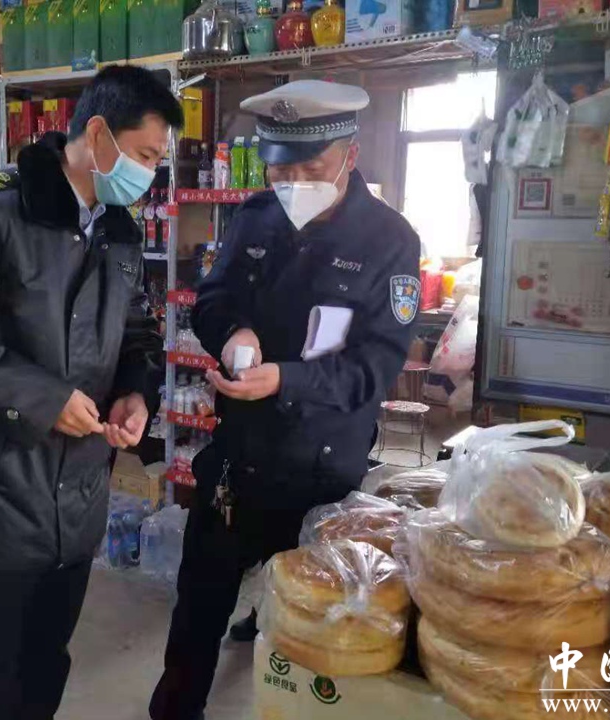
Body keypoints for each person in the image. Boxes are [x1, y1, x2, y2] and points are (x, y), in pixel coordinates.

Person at [0, 66, 181, 720]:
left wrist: (136, 393)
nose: (149, 174)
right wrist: (43, 398)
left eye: (156, 162)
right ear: (98, 134)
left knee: (45, 663)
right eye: (143, 156)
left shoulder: (118, 230)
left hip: (76, 499)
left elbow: (136, 332)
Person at [149, 80, 422, 720]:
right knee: (199, 599)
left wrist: (286, 379)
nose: (294, 183)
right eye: (281, 170)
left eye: (312, 170)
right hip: (239, 452)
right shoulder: (255, 216)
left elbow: (375, 368)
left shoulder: (390, 240)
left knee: (312, 621)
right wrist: (230, 331)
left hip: (321, 466)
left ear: (350, 156)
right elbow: (212, 299)